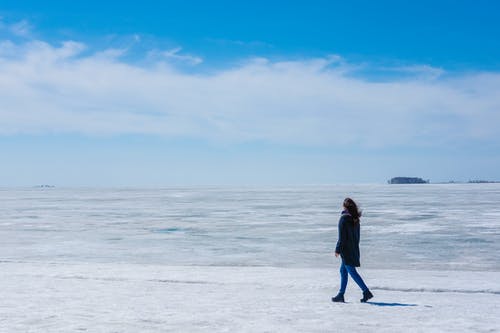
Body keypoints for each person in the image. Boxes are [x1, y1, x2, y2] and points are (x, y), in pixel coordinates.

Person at [332, 198, 373, 303]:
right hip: (353, 249)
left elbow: (342, 238)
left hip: (346, 251)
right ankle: (341, 294)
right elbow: (357, 237)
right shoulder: (355, 219)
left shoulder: (343, 219)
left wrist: (337, 249)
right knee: (343, 270)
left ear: (344, 207)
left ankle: (366, 292)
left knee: (352, 272)